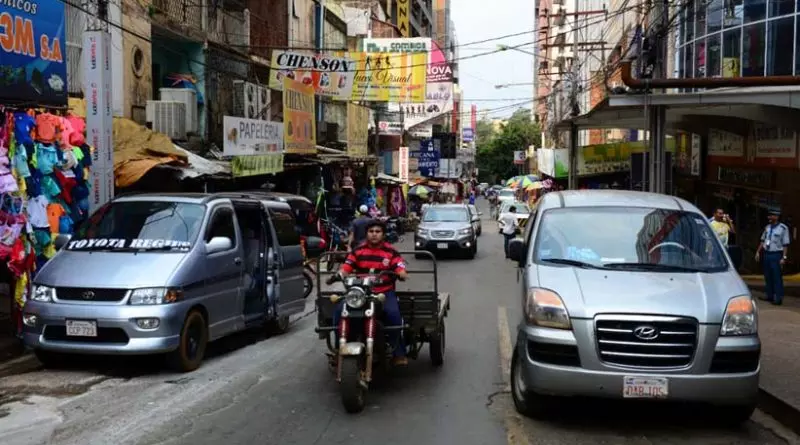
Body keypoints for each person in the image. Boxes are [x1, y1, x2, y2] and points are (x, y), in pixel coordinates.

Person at [330, 219, 410, 365]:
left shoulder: (390, 251)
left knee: (393, 315)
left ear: (383, 235)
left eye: (377, 232)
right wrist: (339, 274)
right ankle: (338, 349)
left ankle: (398, 353)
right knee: (339, 312)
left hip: (384, 293)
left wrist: (401, 272)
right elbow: (347, 266)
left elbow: (399, 265)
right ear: (366, 233)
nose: (374, 234)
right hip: (360, 293)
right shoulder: (358, 250)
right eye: (371, 231)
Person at [755, 209, 790, 305]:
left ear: (776, 216)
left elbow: (785, 244)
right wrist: (758, 252)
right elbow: (763, 240)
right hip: (767, 254)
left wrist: (784, 257)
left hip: (776, 255)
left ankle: (778, 298)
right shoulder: (767, 227)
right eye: (769, 215)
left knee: (776, 277)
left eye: (771, 215)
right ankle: (769, 295)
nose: (769, 217)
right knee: (768, 276)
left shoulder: (783, 228)